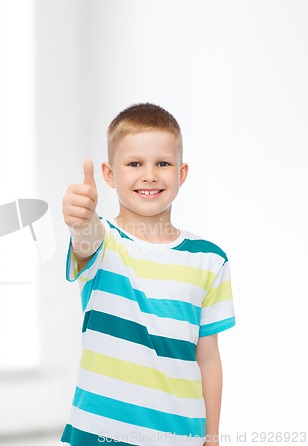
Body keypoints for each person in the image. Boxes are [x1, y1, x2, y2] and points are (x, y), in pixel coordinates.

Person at [60, 103, 235, 446]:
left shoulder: (211, 259)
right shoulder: (104, 241)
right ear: (110, 174)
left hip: (178, 435)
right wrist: (79, 220)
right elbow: (85, 240)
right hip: (98, 433)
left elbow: (209, 357)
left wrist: (211, 438)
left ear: (181, 173)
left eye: (163, 163)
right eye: (135, 163)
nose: (150, 175)